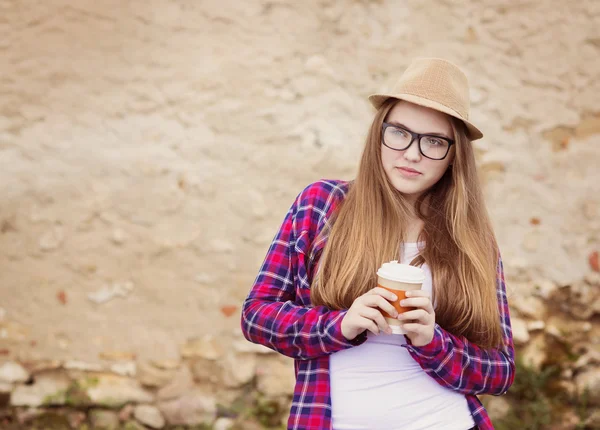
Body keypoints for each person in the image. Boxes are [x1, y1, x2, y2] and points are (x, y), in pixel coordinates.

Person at [241, 57, 515, 430]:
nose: (413, 153)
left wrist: (433, 340)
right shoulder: (323, 205)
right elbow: (257, 316)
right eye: (400, 132)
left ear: (454, 157)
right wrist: (341, 324)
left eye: (434, 141)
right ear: (379, 133)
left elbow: (500, 371)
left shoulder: (471, 239)